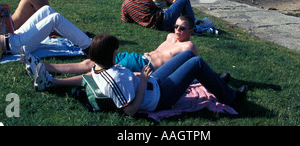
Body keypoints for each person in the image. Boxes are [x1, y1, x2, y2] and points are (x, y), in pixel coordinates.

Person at [25, 15, 200, 91]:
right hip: (136, 57)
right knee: (91, 62)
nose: (177, 30)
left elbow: (192, 68)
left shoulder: (188, 47)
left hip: (144, 66)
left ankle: (52, 82)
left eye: (182, 28)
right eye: (176, 26)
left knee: (97, 73)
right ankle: (42, 66)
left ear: (191, 30)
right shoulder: (170, 36)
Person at [89, 34, 248, 116]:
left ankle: (215, 83)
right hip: (159, 98)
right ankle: (230, 97)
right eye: (115, 51)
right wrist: (143, 81)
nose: (117, 52)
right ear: (107, 54)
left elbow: (124, 77)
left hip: (154, 83)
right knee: (197, 62)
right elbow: (130, 111)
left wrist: (138, 75)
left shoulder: (98, 66)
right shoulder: (115, 79)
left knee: (187, 55)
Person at [0, 5, 92, 62]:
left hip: (12, 35)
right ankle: (89, 46)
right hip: (15, 45)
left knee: (45, 10)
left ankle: (77, 37)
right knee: (54, 18)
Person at [121, 0, 195, 31]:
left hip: (159, 27)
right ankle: (193, 26)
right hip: (164, 19)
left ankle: (186, 23)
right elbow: (159, 10)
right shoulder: (146, 0)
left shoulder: (125, 4)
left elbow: (125, 19)